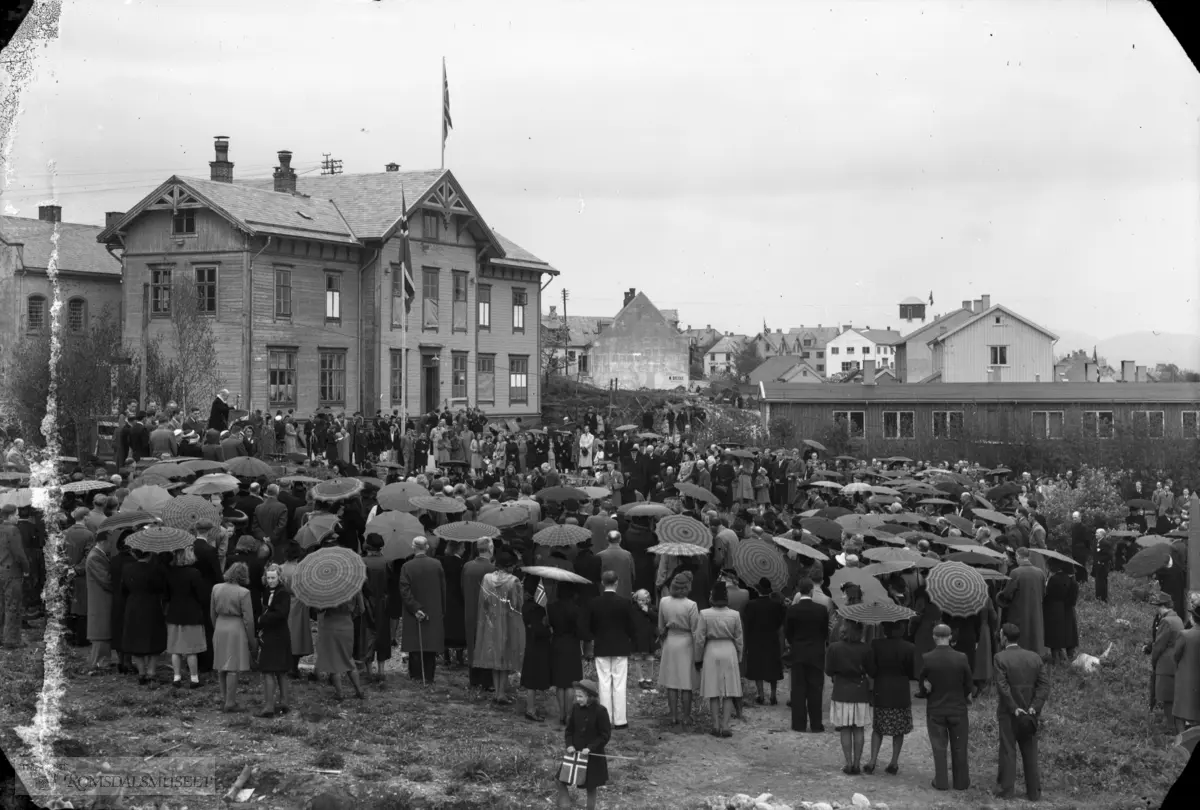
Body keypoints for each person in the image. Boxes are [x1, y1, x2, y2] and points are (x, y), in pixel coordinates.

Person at [994, 623, 1051, 801]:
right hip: (1031, 714)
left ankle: (1006, 790)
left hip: (1009, 713)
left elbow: (1003, 687)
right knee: (1030, 752)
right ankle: (1034, 793)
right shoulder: (1034, 657)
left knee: (1008, 750)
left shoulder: (1000, 658)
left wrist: (1013, 707)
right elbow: (1044, 685)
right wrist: (1035, 706)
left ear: (1003, 637)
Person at [919, 623, 973, 791]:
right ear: (950, 637)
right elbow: (969, 685)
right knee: (959, 746)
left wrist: (926, 690)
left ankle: (941, 781)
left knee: (939, 747)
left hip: (936, 709)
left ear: (934, 637)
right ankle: (961, 782)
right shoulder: (962, 657)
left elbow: (922, 686)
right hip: (957, 709)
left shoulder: (927, 658)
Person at [582, 570, 639, 730]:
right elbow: (632, 626)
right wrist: (631, 641)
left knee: (604, 683)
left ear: (602, 583)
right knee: (620, 684)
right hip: (621, 646)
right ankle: (620, 720)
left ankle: (605, 719)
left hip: (601, 645)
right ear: (617, 582)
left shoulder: (594, 603)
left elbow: (586, 625)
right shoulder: (625, 602)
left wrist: (592, 638)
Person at [865, 620, 916, 776]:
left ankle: (872, 761)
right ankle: (893, 762)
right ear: (901, 628)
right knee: (898, 730)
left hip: (882, 690)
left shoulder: (876, 644)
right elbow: (912, 672)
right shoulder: (909, 647)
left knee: (878, 728)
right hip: (900, 691)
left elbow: (872, 670)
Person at [474, 550, 525, 705]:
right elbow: (517, 605)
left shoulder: (487, 578)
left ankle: (497, 691)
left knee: (495, 656)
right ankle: (501, 693)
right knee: (505, 656)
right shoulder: (514, 581)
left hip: (491, 621)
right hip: (507, 621)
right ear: (510, 566)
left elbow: (484, 601)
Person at [698, 580, 745, 738]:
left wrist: (698, 658)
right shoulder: (734, 615)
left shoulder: (704, 614)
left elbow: (699, 639)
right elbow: (739, 638)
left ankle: (715, 725)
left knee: (713, 690)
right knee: (728, 690)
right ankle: (725, 725)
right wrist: (739, 656)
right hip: (729, 650)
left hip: (711, 649)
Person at [825, 619, 874, 773]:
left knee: (845, 729)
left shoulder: (834, 648)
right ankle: (857, 764)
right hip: (860, 692)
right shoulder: (866, 649)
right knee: (858, 729)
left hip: (841, 691)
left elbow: (828, 671)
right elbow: (872, 671)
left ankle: (848, 763)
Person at [556, 679, 611, 810]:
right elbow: (569, 730)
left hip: (592, 756)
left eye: (581, 696)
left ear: (590, 697)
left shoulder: (600, 711)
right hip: (574, 754)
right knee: (560, 780)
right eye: (576, 696)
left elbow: (605, 735)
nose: (577, 699)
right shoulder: (575, 709)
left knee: (590, 787)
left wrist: (590, 748)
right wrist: (569, 744)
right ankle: (565, 805)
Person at [398, 536, 447, 684]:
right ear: (426, 547)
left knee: (415, 644)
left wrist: (414, 608)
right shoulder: (437, 565)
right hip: (433, 609)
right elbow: (443, 589)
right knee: (430, 645)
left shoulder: (407, 567)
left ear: (413, 547)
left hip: (413, 611)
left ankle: (415, 676)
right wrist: (442, 609)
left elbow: (404, 591)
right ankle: (429, 676)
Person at [657, 571, 702, 728]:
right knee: (686, 682)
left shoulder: (663, 601)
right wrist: (699, 653)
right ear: (687, 587)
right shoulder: (691, 605)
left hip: (670, 642)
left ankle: (673, 716)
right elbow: (695, 629)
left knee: (672, 682)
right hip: (686, 643)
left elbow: (660, 626)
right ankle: (686, 716)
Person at [211, 562, 257, 711]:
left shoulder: (216, 588)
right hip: (235, 628)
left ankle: (225, 698)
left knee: (221, 665)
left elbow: (212, 613)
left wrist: (216, 626)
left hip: (220, 625)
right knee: (233, 666)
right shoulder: (243, 592)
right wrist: (252, 640)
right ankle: (230, 702)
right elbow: (248, 619)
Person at [786, 577, 829, 733]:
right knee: (815, 689)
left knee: (798, 689)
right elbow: (825, 632)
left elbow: (788, 633)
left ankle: (799, 724)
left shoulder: (792, 610)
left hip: (798, 651)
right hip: (816, 652)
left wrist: (795, 643)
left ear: (799, 591)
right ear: (811, 591)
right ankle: (816, 724)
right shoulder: (821, 610)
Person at [122, 547, 169, 684]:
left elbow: (123, 588)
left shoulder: (127, 568)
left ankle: (141, 672)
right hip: (151, 605)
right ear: (149, 554)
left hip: (133, 604)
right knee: (154, 638)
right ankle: (151, 672)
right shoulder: (155, 569)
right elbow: (161, 588)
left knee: (135, 638)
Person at [164, 545, 208, 689]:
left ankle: (176, 677)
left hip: (174, 613)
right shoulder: (194, 573)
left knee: (175, 649)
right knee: (191, 650)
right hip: (192, 614)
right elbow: (201, 595)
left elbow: (166, 595)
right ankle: (194, 679)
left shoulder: (170, 572)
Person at [256, 563, 293, 716]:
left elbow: (281, 613)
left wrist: (261, 620)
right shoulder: (267, 591)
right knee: (279, 670)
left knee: (270, 670)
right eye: (269, 577)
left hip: (277, 634)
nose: (271, 580)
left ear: (279, 577)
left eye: (273, 578)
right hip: (272, 633)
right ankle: (283, 702)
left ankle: (270, 706)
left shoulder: (283, 593)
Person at [743, 577, 786, 706]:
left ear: (758, 590)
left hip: (756, 639)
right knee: (772, 666)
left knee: (757, 667)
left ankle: (761, 694)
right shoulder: (777, 605)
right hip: (772, 638)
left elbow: (747, 624)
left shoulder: (751, 605)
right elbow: (780, 624)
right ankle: (773, 695)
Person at [549, 582, 585, 726]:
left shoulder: (551, 608)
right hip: (572, 645)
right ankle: (569, 715)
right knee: (570, 684)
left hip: (557, 644)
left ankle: (561, 714)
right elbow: (581, 631)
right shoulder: (576, 609)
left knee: (559, 683)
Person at [999, 548, 1046, 659]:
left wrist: (999, 596)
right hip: (1036, 610)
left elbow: (1007, 594)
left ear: (1018, 556)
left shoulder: (1015, 572)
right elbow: (1044, 592)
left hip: (1019, 610)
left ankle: (1018, 657)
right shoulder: (1040, 573)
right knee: (1034, 633)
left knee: (1021, 635)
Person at [463, 538, 497, 690]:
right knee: (487, 644)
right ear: (490, 549)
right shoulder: (492, 569)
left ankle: (474, 678)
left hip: (470, 610)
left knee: (473, 643)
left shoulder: (467, 566)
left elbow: (462, 588)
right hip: (487, 613)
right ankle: (487, 681)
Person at [84, 527, 116, 672]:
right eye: (110, 543)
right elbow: (106, 580)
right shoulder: (95, 557)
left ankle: (102, 661)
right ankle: (99, 663)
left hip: (101, 599)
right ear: (103, 542)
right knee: (101, 632)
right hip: (100, 599)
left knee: (103, 630)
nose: (111, 545)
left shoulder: (98, 555)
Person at [521, 574, 553, 722]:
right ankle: (531, 709)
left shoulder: (525, 605)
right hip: (538, 646)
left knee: (530, 680)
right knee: (533, 681)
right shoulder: (537, 609)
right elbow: (540, 630)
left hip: (529, 644)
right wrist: (548, 629)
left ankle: (530, 707)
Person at [1171, 594, 1200, 732]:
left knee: (1180, 713)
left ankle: (1181, 741)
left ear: (1193, 619)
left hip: (1186, 678)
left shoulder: (1185, 635)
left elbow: (1176, 656)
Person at [1042, 561, 1079, 665]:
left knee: (1055, 635)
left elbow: (1048, 593)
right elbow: (1073, 599)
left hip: (1054, 609)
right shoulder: (1071, 580)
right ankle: (1071, 658)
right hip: (1068, 610)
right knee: (1068, 633)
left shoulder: (1054, 579)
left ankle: (1056, 660)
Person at [630, 588, 659, 690]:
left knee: (650, 659)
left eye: (644, 600)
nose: (641, 602)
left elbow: (657, 619)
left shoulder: (653, 608)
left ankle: (649, 679)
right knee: (638, 659)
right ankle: (640, 679)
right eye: (639, 600)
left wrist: (649, 611)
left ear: (648, 599)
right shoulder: (633, 609)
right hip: (637, 637)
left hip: (649, 637)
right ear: (636, 600)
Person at [596, 530, 635, 599]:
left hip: (604, 593)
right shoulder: (628, 555)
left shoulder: (600, 555)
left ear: (607, 539)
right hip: (624, 593)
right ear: (620, 539)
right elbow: (633, 575)